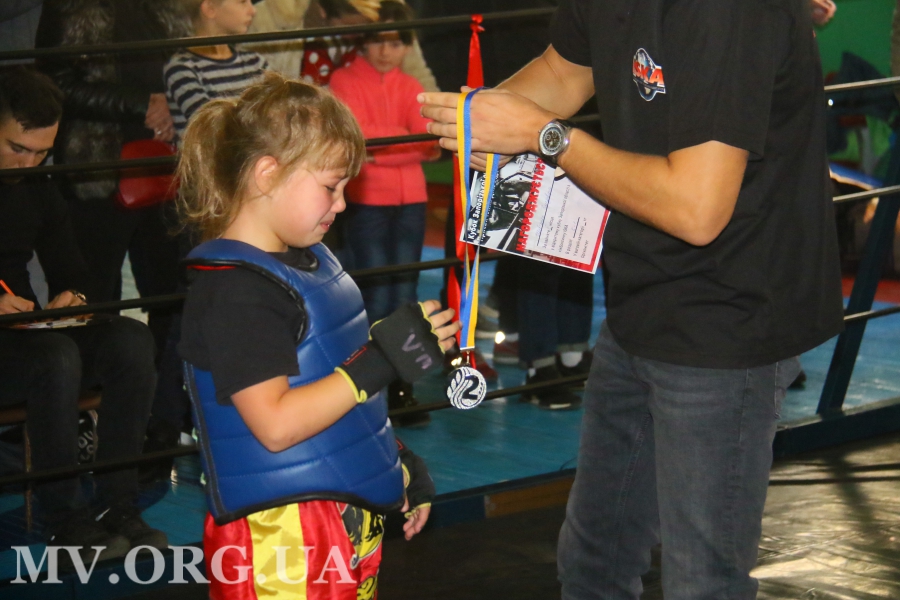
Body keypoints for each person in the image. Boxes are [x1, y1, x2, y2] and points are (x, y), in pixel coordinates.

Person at [420, 0, 845, 597]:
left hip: (731, 314)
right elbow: (564, 69)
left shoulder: (727, 13)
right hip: (641, 294)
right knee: (595, 559)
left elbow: (696, 211)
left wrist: (543, 135)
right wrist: (481, 118)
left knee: (702, 580)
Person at [176, 72, 458, 598]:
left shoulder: (311, 263)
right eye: (331, 186)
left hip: (338, 511)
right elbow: (277, 425)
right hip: (282, 536)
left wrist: (393, 460)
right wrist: (383, 360)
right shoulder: (236, 293)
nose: (343, 203)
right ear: (267, 174)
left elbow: (331, 379)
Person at [0, 67, 166, 565]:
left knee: (131, 340)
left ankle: (117, 504)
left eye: (42, 153)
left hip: (25, 337)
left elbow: (72, 266)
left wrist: (73, 295)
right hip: (30, 351)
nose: (29, 163)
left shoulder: (35, 184)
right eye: (17, 148)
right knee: (55, 357)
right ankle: (64, 521)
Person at [34, 0, 189, 353]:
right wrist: (142, 105)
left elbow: (186, 62)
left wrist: (173, 104)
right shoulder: (71, 5)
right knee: (93, 298)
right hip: (94, 170)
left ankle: (163, 383)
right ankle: (95, 382)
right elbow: (54, 84)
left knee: (171, 294)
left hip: (164, 165)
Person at [330, 0, 440, 426]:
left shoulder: (411, 84)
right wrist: (403, 142)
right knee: (375, 294)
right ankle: (370, 384)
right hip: (368, 202)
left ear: (407, 47)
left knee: (406, 293)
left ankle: (402, 385)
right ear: (364, 41)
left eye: (395, 43)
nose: (385, 51)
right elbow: (357, 139)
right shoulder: (343, 79)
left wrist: (381, 149)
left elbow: (427, 142)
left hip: (410, 201)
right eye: (378, 41)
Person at [248, 0, 438, 91]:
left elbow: (415, 70)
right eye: (349, 27)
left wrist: (438, 116)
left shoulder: (389, 9)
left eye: (366, 26)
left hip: (367, 115)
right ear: (323, 11)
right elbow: (255, 81)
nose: (357, 34)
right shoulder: (272, 16)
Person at [164, 0, 268, 144]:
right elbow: (214, 126)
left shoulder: (255, 61)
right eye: (242, 2)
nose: (253, 10)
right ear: (210, 8)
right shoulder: (182, 68)